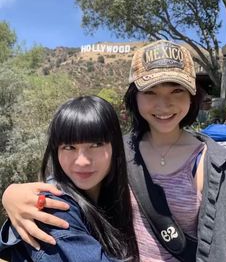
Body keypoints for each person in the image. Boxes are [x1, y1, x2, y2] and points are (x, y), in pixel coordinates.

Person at [1, 40, 226, 262]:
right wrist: (12, 195)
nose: (163, 104)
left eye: (176, 91)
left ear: (192, 96)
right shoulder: (115, 150)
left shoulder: (219, 165)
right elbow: (67, 185)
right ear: (135, 97)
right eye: (150, 92)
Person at [0, 96, 139, 261]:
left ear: (115, 146)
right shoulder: (53, 211)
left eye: (95, 145)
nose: (82, 161)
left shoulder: (111, 196)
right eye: (69, 147)